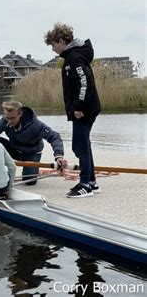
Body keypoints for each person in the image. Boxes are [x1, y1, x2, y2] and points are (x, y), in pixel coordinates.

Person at [45, 23, 101, 198]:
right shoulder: (71, 58)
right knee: (83, 145)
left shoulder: (74, 58)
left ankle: (85, 184)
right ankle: (91, 182)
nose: (53, 50)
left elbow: (86, 83)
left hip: (83, 110)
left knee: (80, 146)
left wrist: (78, 106)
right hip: (84, 109)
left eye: (53, 45)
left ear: (61, 41)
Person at [0, 101, 65, 185]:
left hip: (31, 153)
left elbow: (54, 137)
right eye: (7, 118)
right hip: (14, 149)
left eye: (13, 118)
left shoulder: (36, 125)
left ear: (20, 114)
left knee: (29, 181)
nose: (9, 121)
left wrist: (59, 156)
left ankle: (33, 171)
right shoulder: (5, 121)